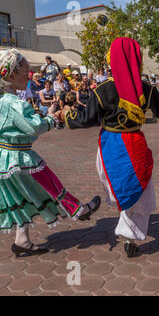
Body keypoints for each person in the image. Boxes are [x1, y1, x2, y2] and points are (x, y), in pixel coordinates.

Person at [60, 37, 159, 258]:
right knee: (140, 190)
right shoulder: (146, 88)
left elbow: (87, 119)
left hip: (111, 147)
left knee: (123, 189)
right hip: (134, 144)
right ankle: (131, 237)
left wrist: (68, 114)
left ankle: (129, 233)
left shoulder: (104, 89)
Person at [0, 48, 100, 257]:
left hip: (4, 158)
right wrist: (53, 118)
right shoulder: (12, 103)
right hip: (19, 157)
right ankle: (78, 210)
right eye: (25, 72)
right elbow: (33, 126)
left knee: (20, 195)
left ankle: (22, 240)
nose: (29, 75)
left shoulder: (2, 101)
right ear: (11, 75)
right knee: (48, 183)